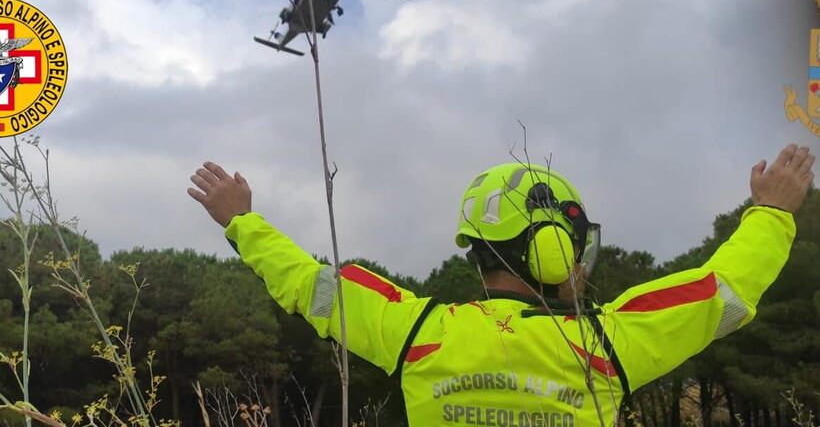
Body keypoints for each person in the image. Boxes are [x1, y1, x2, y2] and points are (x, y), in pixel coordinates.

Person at [188, 144, 815, 427]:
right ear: (547, 246)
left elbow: (310, 285)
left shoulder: (417, 333)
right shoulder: (608, 346)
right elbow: (723, 295)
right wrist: (773, 213)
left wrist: (243, 222)